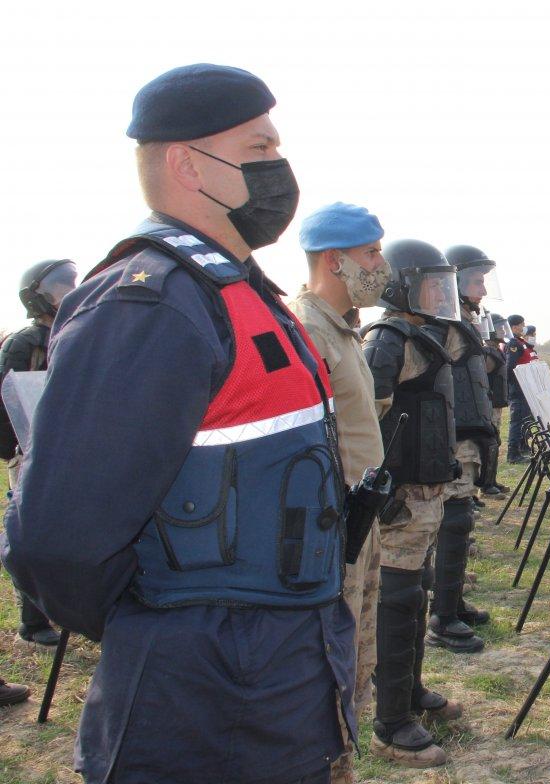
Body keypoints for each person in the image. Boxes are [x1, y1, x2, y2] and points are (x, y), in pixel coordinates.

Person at [2, 63, 355, 784]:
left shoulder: (237, 290)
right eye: (259, 150)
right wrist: (165, 623)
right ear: (187, 164)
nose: (280, 169)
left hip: (280, 669)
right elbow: (59, 538)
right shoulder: (151, 304)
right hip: (199, 689)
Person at [290, 202, 391, 784]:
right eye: (371, 253)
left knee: (357, 660)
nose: (381, 265)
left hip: (360, 516)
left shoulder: (344, 329)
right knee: (331, 662)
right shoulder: (306, 331)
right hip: (331, 529)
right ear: (336, 260)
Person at [361, 239, 465, 767]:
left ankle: (411, 691)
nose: (439, 295)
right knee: (398, 601)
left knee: (414, 594)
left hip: (425, 496)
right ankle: (391, 723)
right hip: (399, 501)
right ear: (402, 284)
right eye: (430, 284)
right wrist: (376, 496)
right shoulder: (386, 339)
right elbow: (364, 422)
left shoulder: (423, 336)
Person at [422, 244, 499, 653]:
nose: (483, 290)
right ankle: (442, 617)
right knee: (453, 523)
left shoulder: (463, 320)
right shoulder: (440, 324)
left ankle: (451, 601)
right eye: (476, 281)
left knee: (460, 520)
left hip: (464, 436)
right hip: (450, 441)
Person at [1, 259, 77, 648]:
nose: (70, 290)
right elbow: (8, 399)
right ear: (38, 297)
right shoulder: (24, 344)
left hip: (71, 451)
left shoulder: (80, 332)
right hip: (29, 451)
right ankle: (32, 623)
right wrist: (14, 453)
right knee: (31, 533)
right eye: (62, 285)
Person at [479, 312, 512, 497]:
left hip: (495, 405)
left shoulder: (496, 350)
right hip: (489, 405)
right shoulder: (488, 353)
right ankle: (486, 485)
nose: (502, 330)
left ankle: (492, 480)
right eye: (499, 327)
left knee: (495, 442)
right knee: (490, 443)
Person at [505, 314, 540, 463]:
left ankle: (524, 446)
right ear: (514, 327)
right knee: (517, 422)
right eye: (521, 324)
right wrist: (517, 384)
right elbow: (510, 368)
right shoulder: (513, 344)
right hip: (518, 390)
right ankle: (513, 454)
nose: (524, 327)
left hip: (527, 390)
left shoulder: (521, 343)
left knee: (525, 420)